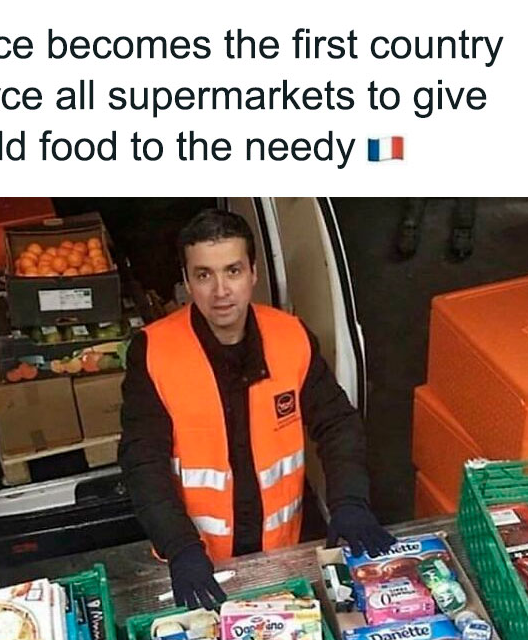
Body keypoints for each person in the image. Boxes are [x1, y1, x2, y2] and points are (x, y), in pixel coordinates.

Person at [118, 209, 394, 609]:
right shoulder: (153, 352)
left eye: (232, 271)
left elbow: (337, 424)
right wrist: (179, 547)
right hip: (196, 564)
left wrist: (349, 502)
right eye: (204, 275)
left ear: (253, 273)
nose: (220, 291)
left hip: (281, 555)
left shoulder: (291, 336)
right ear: (187, 282)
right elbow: (143, 462)